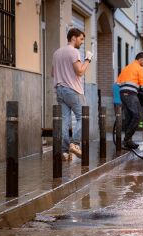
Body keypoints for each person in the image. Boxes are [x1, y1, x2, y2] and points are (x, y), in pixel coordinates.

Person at [52, 28, 93, 161]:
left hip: (59, 89)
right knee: (83, 117)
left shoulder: (56, 53)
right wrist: (88, 59)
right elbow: (80, 72)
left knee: (64, 121)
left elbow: (53, 73)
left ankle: (64, 152)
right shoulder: (74, 52)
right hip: (73, 90)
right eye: (81, 39)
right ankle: (75, 144)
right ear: (74, 38)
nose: (81, 42)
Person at [116, 52, 143, 149]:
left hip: (123, 93)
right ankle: (127, 140)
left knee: (129, 117)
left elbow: (118, 83)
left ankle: (127, 141)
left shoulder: (127, 67)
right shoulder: (139, 68)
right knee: (137, 116)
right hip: (130, 94)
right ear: (141, 59)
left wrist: (140, 92)